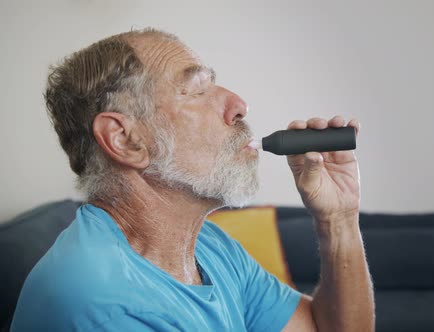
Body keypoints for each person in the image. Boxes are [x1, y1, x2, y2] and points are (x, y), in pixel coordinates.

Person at [11, 28, 375, 331]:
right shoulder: (102, 301)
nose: (239, 105)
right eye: (196, 90)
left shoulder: (210, 247)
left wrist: (338, 219)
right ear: (125, 139)